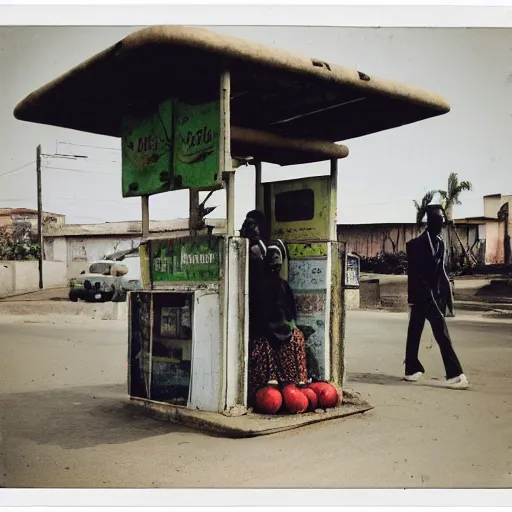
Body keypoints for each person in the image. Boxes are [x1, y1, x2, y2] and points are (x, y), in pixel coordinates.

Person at [240, 210, 309, 402]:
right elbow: (291, 313)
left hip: (264, 336)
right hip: (285, 336)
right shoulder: (281, 285)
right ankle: (294, 385)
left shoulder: (254, 282)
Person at [404, 204, 469, 389]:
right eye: (439, 219)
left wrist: (448, 297)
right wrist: (428, 296)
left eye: (442, 219)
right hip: (421, 296)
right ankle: (454, 374)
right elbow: (417, 275)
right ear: (431, 221)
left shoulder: (440, 242)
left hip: (433, 295)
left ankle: (410, 368)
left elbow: (441, 271)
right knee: (440, 333)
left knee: (415, 332)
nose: (442, 222)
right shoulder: (416, 245)